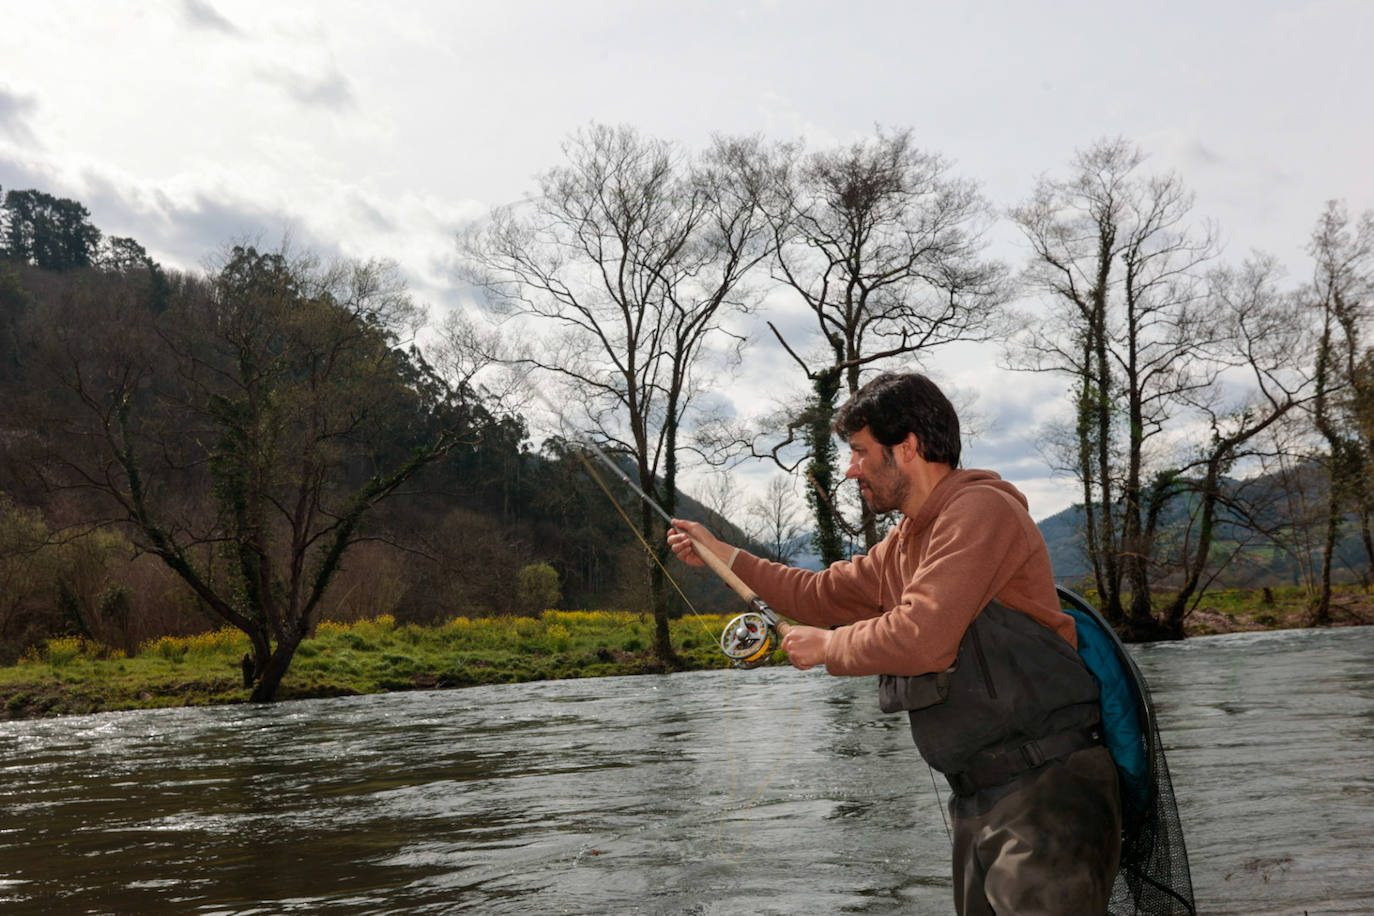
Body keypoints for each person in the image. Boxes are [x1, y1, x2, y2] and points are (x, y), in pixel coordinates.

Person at [668, 371, 1121, 916]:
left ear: (906, 448)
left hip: (1046, 792)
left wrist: (829, 649)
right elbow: (819, 593)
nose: (851, 468)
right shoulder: (906, 540)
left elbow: (922, 636)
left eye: (860, 452)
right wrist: (726, 555)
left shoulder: (981, 512)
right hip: (980, 798)